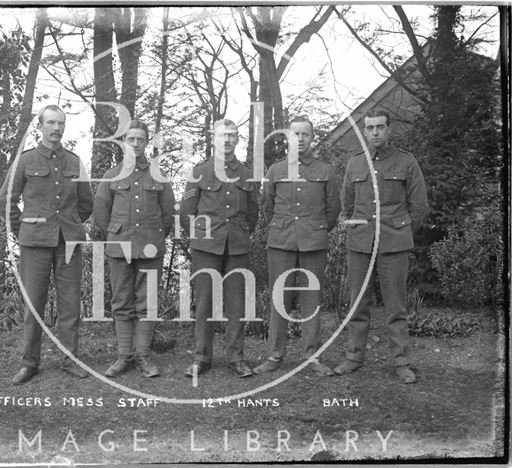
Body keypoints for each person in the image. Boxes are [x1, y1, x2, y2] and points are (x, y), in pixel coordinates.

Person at [0, 104, 94, 385]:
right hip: (34, 243)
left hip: (68, 243)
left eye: (61, 123)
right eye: (51, 123)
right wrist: (22, 229)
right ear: (41, 126)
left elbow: (86, 203)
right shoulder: (26, 161)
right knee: (33, 304)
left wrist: (72, 223)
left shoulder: (75, 162)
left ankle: (69, 360)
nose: (56, 128)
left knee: (70, 305)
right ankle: (29, 363)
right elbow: (4, 202)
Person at [334, 108, 429, 384]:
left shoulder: (406, 162)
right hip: (360, 243)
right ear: (364, 131)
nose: (374, 132)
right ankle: (353, 357)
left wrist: (400, 232)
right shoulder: (355, 164)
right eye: (370, 128)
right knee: (357, 304)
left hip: (394, 245)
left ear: (389, 130)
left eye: (379, 127)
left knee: (395, 307)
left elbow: (419, 207)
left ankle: (401, 362)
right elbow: (347, 203)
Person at [254, 116, 341, 377]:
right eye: (296, 134)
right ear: (288, 138)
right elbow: (267, 207)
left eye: (305, 134)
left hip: (314, 243)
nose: (300, 139)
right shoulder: (275, 171)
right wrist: (284, 228)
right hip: (281, 243)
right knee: (279, 299)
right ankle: (274, 355)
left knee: (311, 300)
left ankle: (311, 357)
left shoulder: (325, 171)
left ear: (312, 138)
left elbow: (332, 209)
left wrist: (314, 229)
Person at [93, 120, 175, 378]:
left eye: (141, 139)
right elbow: (100, 213)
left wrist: (152, 235)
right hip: (119, 248)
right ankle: (123, 357)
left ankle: (143, 357)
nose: (136, 144)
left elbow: (168, 214)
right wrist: (116, 235)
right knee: (121, 303)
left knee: (147, 303)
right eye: (131, 139)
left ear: (146, 142)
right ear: (124, 143)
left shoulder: (158, 175)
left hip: (150, 247)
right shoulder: (111, 176)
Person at [180, 119, 259, 378]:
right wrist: (200, 238)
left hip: (236, 245)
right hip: (206, 247)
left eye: (232, 136)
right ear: (213, 138)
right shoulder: (200, 171)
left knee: (237, 304)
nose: (227, 140)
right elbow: (187, 213)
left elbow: (253, 212)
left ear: (238, 140)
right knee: (204, 303)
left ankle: (236, 357)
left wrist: (240, 232)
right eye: (222, 135)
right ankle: (201, 358)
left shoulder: (246, 173)